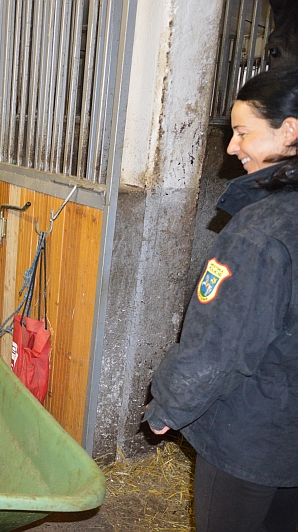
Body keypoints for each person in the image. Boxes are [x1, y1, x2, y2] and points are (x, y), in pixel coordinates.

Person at [144, 67, 298, 532]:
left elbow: (219, 344)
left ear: (289, 130)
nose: (232, 147)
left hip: (250, 434)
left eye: (242, 132)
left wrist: (167, 406)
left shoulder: (257, 233)